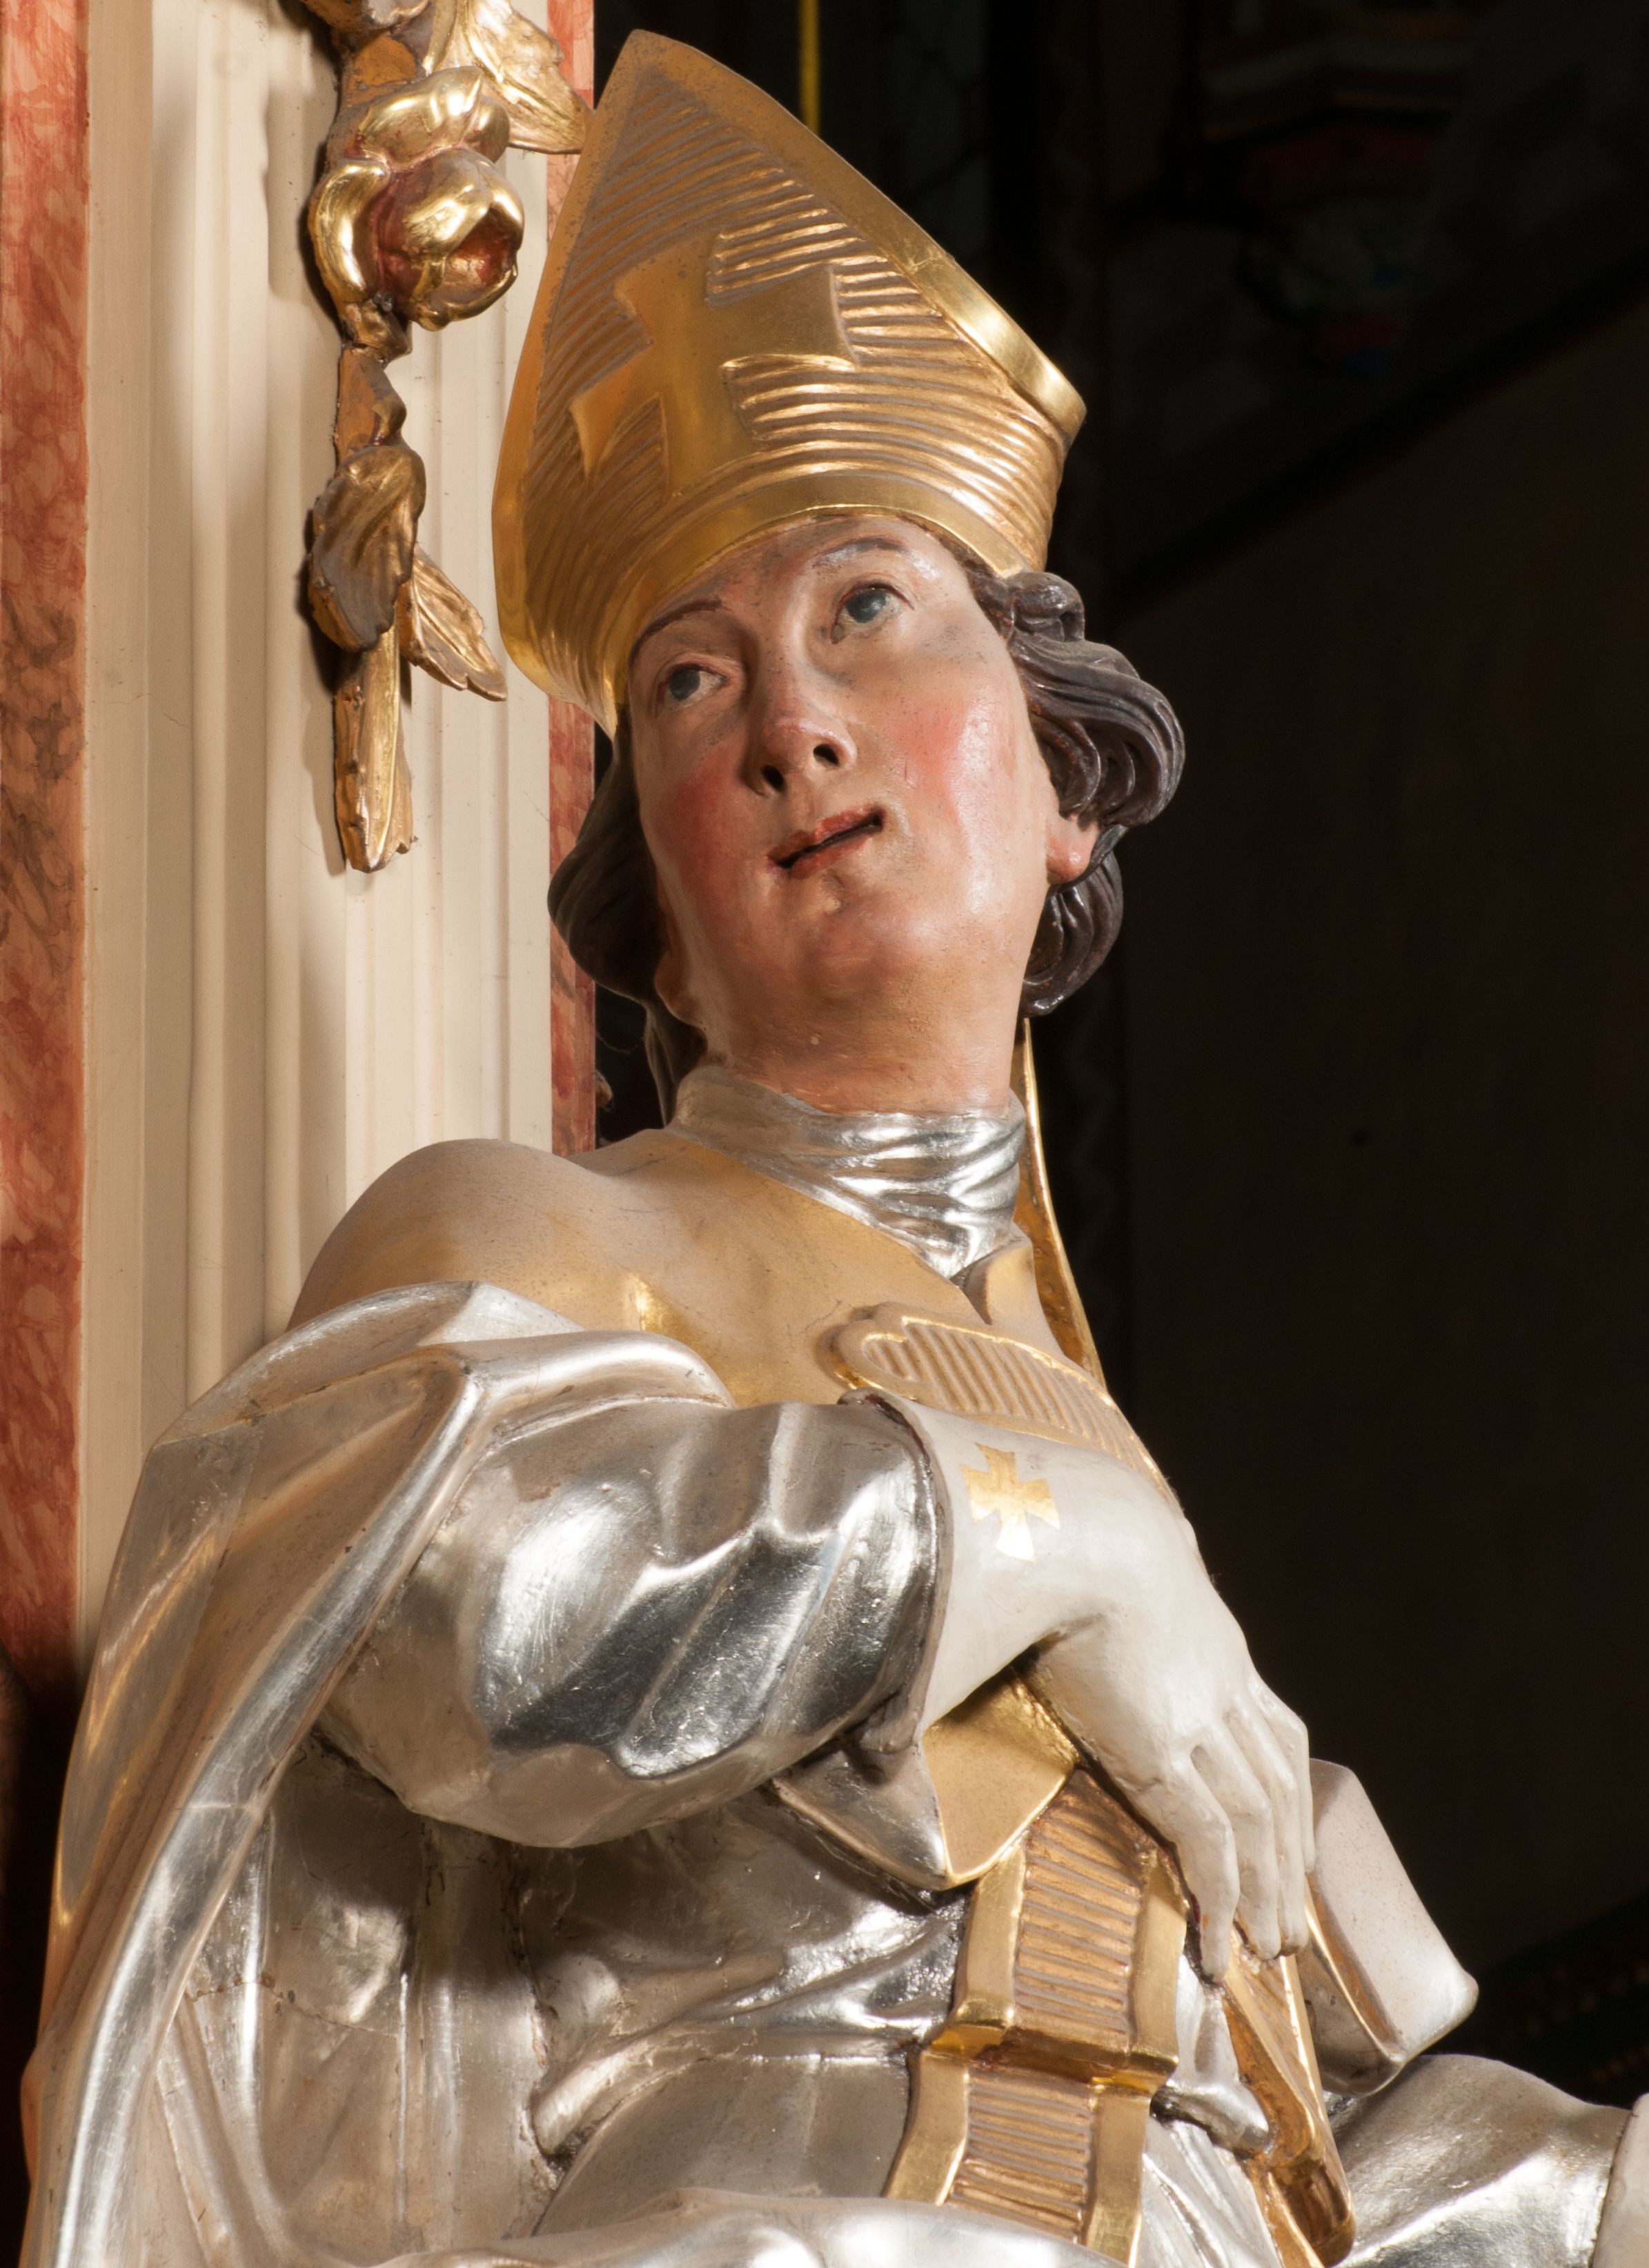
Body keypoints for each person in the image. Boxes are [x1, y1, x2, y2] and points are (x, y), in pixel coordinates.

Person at [21, 34, 1648, 2268]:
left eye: (869, 612)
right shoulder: (536, 1229)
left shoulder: (1083, 1409)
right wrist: (1032, 1530)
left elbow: (1281, 2149)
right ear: (659, 933)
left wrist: (1596, 2195)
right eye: (693, 686)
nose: (793, 720)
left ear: (1067, 786)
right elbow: (473, 1634)